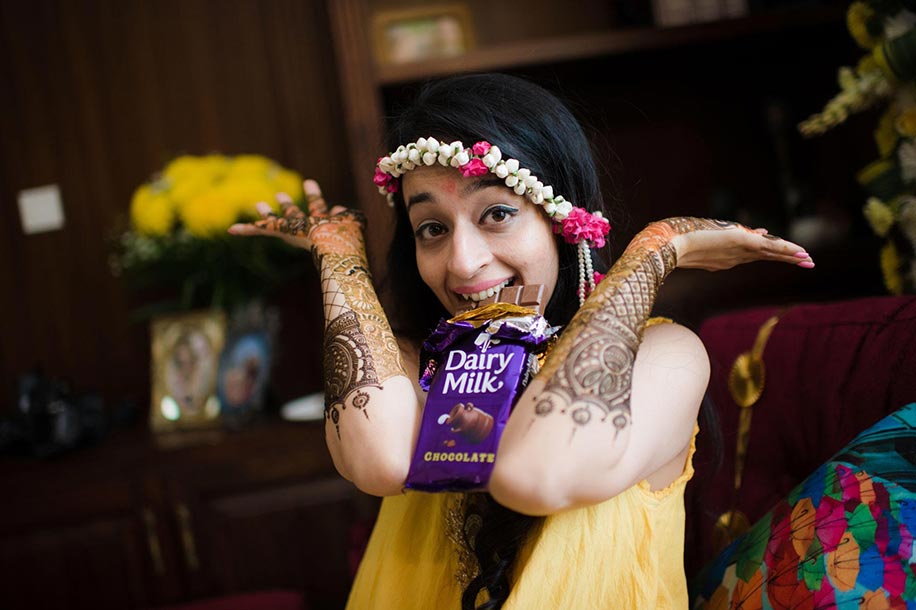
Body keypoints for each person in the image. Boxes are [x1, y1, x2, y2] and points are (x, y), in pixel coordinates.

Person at [229, 73, 815, 609]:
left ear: (566, 225)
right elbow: (378, 462)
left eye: (497, 214)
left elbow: (537, 475)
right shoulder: (409, 363)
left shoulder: (663, 355)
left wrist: (653, 251)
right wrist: (337, 254)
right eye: (431, 228)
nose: (463, 262)